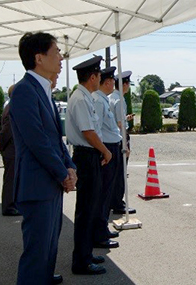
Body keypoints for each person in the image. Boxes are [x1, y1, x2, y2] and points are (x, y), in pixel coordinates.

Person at [10, 32, 77, 285]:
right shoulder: (24, 91)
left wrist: (70, 166)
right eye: (56, 52)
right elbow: (37, 140)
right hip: (37, 185)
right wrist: (63, 174)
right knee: (36, 251)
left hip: (50, 182)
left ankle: (45, 277)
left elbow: (54, 138)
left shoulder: (43, 89)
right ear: (39, 58)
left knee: (50, 243)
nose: (61, 57)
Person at [65, 56, 114, 276]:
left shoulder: (84, 96)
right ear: (92, 77)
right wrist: (104, 150)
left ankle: (85, 254)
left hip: (89, 155)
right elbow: (88, 132)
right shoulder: (82, 99)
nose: (100, 80)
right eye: (99, 76)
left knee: (91, 207)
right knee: (86, 210)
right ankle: (81, 261)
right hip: (86, 155)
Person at [92, 66, 122, 244]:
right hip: (107, 149)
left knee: (107, 191)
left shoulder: (103, 99)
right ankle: (99, 232)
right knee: (103, 193)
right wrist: (104, 151)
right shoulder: (98, 100)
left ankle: (102, 228)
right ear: (105, 82)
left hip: (111, 147)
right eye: (110, 81)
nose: (113, 83)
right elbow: (96, 130)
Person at [108, 70, 136, 215]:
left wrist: (126, 118)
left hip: (114, 138)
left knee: (116, 173)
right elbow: (119, 124)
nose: (128, 86)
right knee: (120, 173)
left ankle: (114, 201)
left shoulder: (112, 97)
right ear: (124, 85)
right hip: (120, 138)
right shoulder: (119, 100)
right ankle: (118, 203)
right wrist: (125, 144)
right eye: (128, 84)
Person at [0, 84, 19, 216]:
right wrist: (0, 143)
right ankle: (9, 207)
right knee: (11, 178)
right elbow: (6, 130)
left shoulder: (11, 106)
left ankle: (13, 203)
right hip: (11, 149)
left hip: (11, 148)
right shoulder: (13, 108)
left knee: (13, 178)